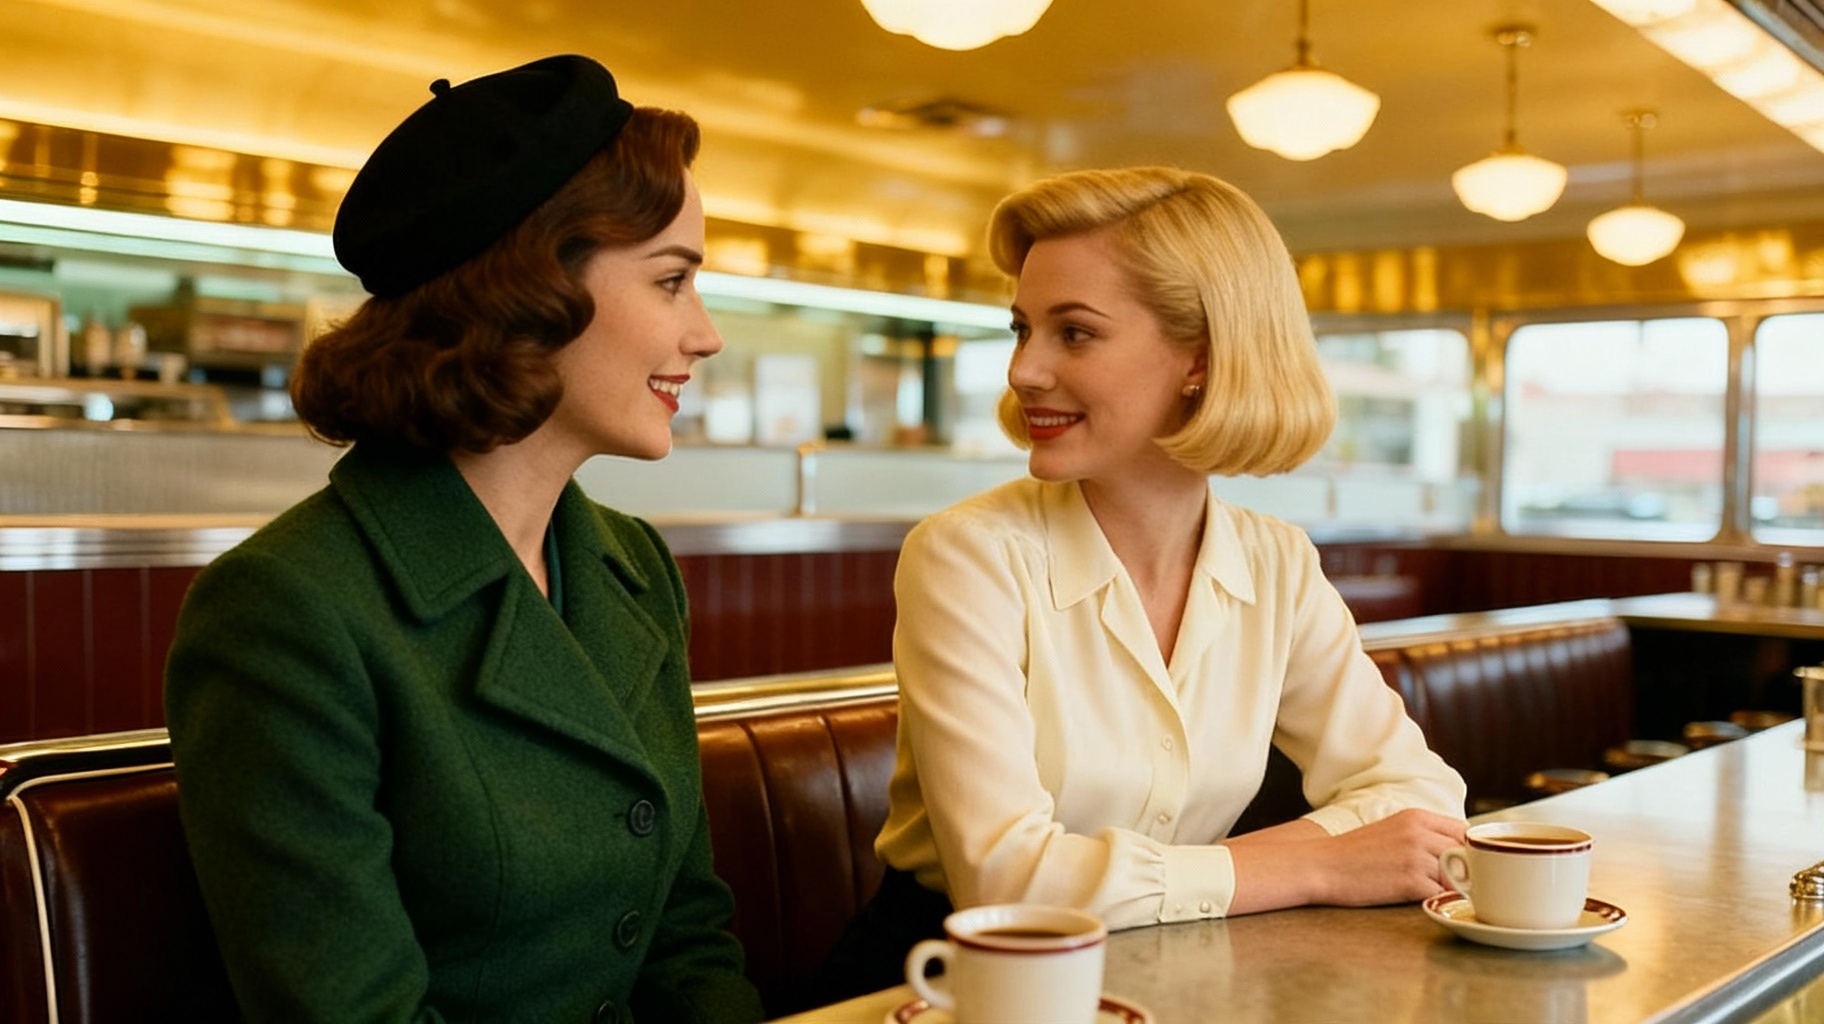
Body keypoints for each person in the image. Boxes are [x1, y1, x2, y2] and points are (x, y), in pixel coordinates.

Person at [164, 55, 764, 1024]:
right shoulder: (285, 608)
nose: (706, 333)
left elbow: (687, 934)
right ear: (531, 290)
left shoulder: (632, 565)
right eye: (673, 280)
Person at [831, 166, 1468, 994]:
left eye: (1076, 333)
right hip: (953, 983)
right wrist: (1316, 864)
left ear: (1200, 360)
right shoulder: (967, 554)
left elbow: (1419, 793)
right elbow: (1010, 883)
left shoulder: (1276, 563)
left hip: (1170, 974)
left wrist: (1281, 865)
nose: (1024, 370)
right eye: (1022, 329)